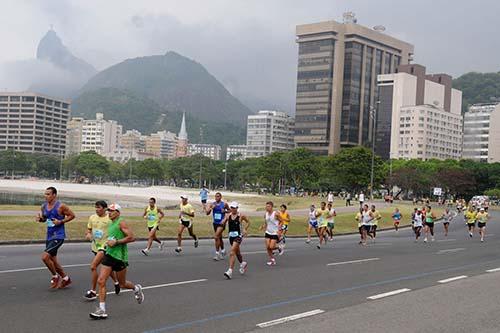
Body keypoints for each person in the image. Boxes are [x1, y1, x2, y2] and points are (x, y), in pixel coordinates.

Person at [89, 203, 144, 319]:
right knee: (101, 280)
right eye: (108, 210)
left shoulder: (121, 222)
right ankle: (102, 310)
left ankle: (136, 289)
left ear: (118, 213)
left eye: (112, 210)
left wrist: (117, 242)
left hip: (120, 257)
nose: (109, 212)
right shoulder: (111, 223)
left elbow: (132, 237)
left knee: (123, 284)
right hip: (109, 254)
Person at [36, 187, 75, 289]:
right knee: (53, 261)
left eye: (48, 194)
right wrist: (40, 219)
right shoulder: (43, 206)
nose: (46, 196)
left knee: (45, 257)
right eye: (45, 194)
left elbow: (72, 215)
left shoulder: (61, 206)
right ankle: (66, 279)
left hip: (58, 235)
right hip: (49, 235)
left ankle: (55, 276)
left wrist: (60, 221)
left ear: (54, 195)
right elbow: (45, 219)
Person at [84, 201, 119, 301]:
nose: (96, 209)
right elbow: (89, 229)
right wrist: (88, 234)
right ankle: (116, 282)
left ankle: (93, 291)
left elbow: (116, 229)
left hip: (105, 247)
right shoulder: (92, 217)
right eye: (95, 207)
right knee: (106, 266)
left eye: (98, 207)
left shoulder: (109, 218)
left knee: (93, 266)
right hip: (95, 246)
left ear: (104, 209)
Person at [222, 202, 250, 279]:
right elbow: (223, 222)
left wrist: (245, 229)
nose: (233, 209)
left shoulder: (241, 216)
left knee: (232, 252)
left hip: (238, 236)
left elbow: (248, 222)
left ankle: (230, 271)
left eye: (234, 208)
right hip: (231, 236)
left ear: (237, 208)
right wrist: (223, 222)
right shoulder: (228, 216)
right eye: (232, 207)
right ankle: (243, 263)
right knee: (237, 253)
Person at [204, 192, 229, 260]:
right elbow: (207, 213)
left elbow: (230, 211)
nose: (216, 198)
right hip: (215, 223)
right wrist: (211, 208)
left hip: (221, 223)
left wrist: (225, 211)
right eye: (215, 196)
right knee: (219, 238)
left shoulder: (224, 204)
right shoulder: (213, 204)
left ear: (220, 197)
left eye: (218, 196)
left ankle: (217, 254)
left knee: (216, 237)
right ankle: (223, 250)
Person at [260, 201, 283, 266]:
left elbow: (281, 221)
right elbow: (266, 222)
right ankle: (272, 260)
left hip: (274, 233)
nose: (267, 208)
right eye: (266, 206)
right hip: (268, 232)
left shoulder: (276, 214)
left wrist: (279, 228)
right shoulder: (266, 214)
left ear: (272, 207)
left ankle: (279, 247)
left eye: (268, 206)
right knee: (267, 247)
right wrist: (262, 226)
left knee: (271, 247)